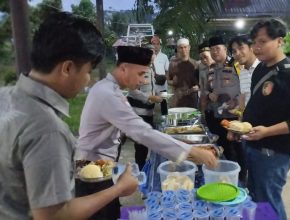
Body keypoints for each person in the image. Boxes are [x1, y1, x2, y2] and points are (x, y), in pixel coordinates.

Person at [0, 12, 139, 220]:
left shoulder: (6, 96)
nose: (88, 79)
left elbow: (26, 168)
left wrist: (99, 169)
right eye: (88, 70)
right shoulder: (47, 128)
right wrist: (119, 189)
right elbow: (54, 215)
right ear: (67, 68)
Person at [75, 45, 218, 219]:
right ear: (124, 68)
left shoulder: (110, 88)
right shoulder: (107, 94)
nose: (143, 81)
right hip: (93, 171)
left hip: (102, 166)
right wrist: (189, 151)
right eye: (141, 74)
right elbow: (142, 132)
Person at [228, 19, 290, 220]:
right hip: (253, 145)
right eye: (254, 42)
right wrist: (239, 127)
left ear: (279, 41)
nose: (256, 47)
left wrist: (267, 131)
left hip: (274, 152)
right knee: (256, 196)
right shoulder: (261, 69)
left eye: (262, 41)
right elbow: (256, 106)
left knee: (268, 199)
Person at [203, 36, 241, 164]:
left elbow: (246, 89)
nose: (215, 52)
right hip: (215, 117)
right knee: (219, 148)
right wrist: (209, 95)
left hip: (233, 117)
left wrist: (236, 100)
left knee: (235, 151)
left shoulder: (236, 65)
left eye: (217, 49)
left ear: (225, 49)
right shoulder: (211, 68)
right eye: (212, 49)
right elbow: (206, 89)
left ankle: (238, 178)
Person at [127, 44, 163, 169]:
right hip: (138, 113)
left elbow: (152, 88)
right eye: (149, 53)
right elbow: (132, 91)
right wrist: (149, 98)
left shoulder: (151, 68)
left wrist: (159, 94)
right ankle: (140, 171)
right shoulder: (137, 69)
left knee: (147, 143)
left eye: (153, 53)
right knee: (140, 145)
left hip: (149, 112)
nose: (152, 56)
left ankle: (145, 169)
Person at [229, 34, 260, 108]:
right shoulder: (242, 72)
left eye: (241, 48)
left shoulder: (263, 68)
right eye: (234, 51)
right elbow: (245, 97)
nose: (237, 53)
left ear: (251, 47)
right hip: (248, 117)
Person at [168, 38, 199, 108]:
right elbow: (168, 80)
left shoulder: (195, 64)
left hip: (192, 99)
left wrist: (197, 87)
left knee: (191, 118)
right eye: (181, 48)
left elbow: (200, 83)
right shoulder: (173, 64)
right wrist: (173, 82)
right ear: (178, 49)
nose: (183, 50)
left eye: (185, 47)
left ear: (189, 47)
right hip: (177, 98)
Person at [151, 35, 169, 115]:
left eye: (157, 44)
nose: (155, 46)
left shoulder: (164, 56)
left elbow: (167, 70)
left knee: (164, 102)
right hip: (151, 84)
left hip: (162, 84)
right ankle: (150, 119)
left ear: (159, 45)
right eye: (153, 44)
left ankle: (165, 118)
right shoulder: (148, 56)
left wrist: (165, 78)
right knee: (150, 103)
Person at [197, 41, 215, 115]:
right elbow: (203, 91)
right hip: (208, 106)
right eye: (201, 58)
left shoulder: (224, 66)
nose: (204, 60)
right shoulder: (202, 69)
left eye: (206, 57)